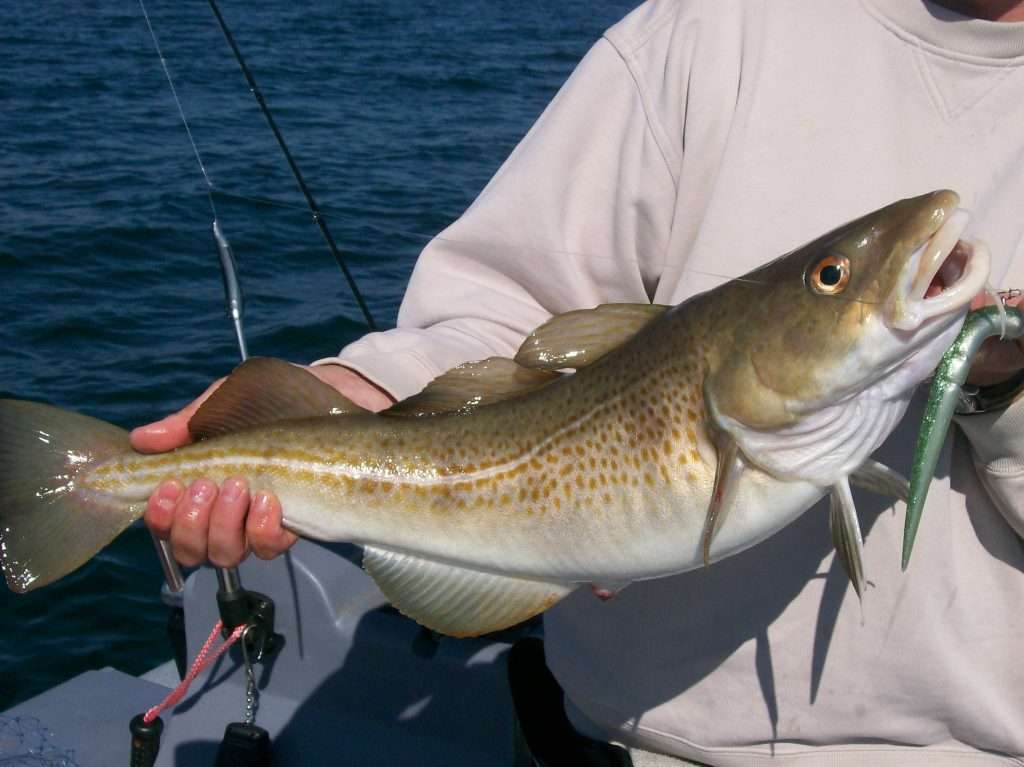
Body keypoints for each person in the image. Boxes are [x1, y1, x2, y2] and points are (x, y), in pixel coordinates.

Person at [133, 0, 1024, 763]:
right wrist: (353, 397)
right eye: (831, 278)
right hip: (629, 744)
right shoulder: (715, 28)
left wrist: (994, 388)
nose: (850, 282)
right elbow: (508, 313)